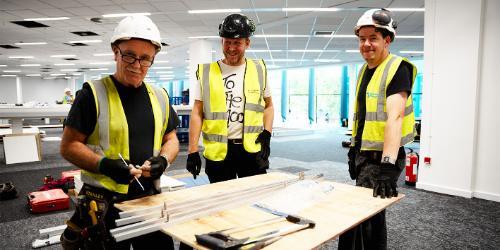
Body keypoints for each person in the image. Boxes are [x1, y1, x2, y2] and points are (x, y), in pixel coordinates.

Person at [59, 15, 180, 250]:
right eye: (129, 55)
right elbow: (69, 145)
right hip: (103, 204)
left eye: (145, 58)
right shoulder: (92, 94)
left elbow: (171, 139)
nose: (137, 65)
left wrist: (163, 161)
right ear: (115, 52)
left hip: (149, 200)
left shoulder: (160, 96)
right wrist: (105, 165)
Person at [339, 8, 417, 249]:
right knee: (365, 215)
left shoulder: (397, 69)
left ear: (387, 40)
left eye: (373, 38)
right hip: (365, 155)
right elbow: (363, 117)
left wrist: (387, 165)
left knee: (368, 216)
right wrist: (354, 150)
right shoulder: (365, 70)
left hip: (382, 158)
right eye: (362, 39)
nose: (366, 44)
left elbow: (394, 117)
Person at [186, 13, 274, 183]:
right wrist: (192, 150)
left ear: (247, 43)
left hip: (251, 150)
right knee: (222, 203)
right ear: (222, 42)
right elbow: (197, 113)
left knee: (253, 200)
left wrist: (267, 133)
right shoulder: (207, 72)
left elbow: (269, 106)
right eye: (227, 42)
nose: (231, 48)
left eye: (237, 43)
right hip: (219, 153)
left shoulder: (258, 70)